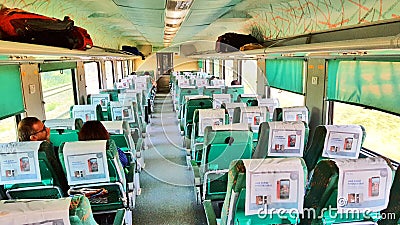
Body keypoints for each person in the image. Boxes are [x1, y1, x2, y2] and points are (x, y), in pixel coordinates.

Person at [17, 117, 69, 195]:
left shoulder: (14, 154)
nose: (48, 130)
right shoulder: (47, 151)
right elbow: (61, 180)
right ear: (34, 137)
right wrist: (47, 142)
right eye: (44, 129)